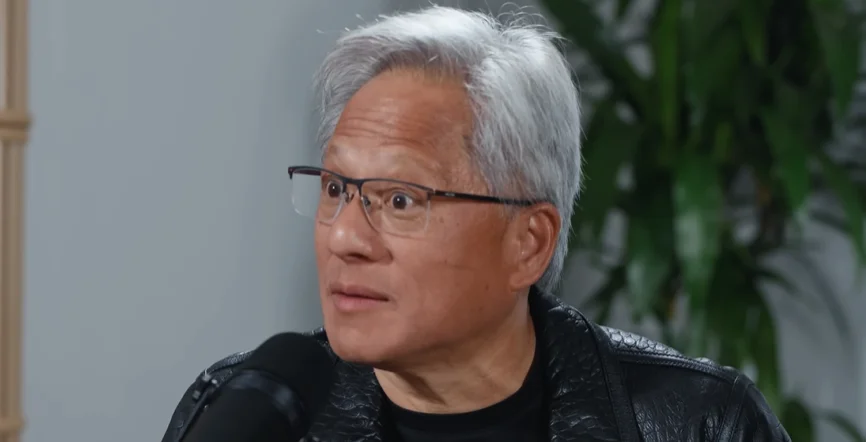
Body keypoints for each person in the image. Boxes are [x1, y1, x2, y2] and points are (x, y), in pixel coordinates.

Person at [161, 6, 789, 442]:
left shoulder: (700, 425)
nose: (346, 238)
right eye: (334, 189)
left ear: (528, 243)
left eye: (400, 200)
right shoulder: (248, 416)